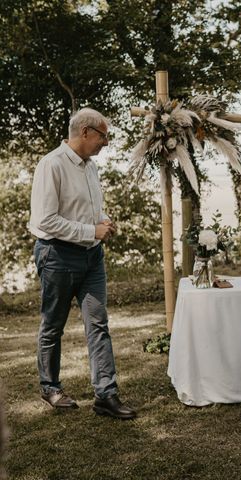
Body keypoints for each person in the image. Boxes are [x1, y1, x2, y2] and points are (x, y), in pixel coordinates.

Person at [28, 108, 136, 420]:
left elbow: (85, 210)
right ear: (86, 132)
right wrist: (92, 230)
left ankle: (106, 394)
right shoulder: (52, 165)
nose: (107, 142)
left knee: (98, 324)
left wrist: (102, 222)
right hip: (57, 257)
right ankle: (50, 387)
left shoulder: (91, 167)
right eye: (104, 135)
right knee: (53, 325)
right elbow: (45, 220)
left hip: (92, 258)